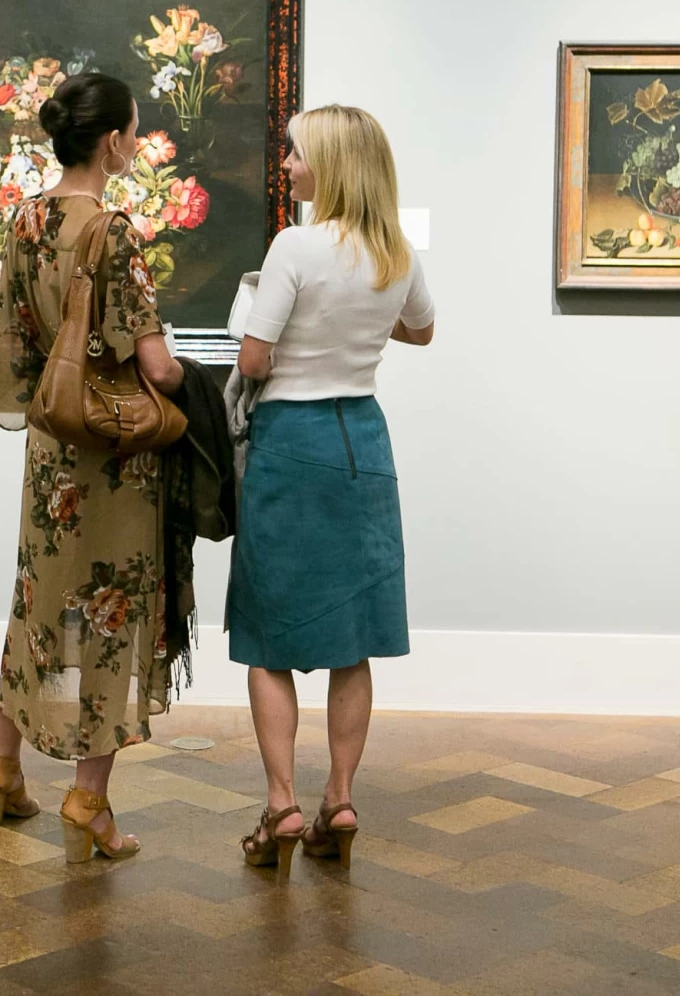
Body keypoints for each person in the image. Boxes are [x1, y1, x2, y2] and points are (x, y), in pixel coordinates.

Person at [0, 71, 187, 864]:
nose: (135, 143)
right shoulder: (114, 231)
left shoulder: (25, 220)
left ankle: (4, 768)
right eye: (134, 131)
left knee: (38, 607)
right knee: (108, 617)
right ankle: (89, 799)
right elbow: (158, 368)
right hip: (110, 461)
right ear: (111, 142)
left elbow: (20, 349)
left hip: (49, 456)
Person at [228, 104, 434, 879]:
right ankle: (339, 799)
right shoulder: (395, 252)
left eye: (296, 154)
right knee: (353, 640)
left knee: (267, 634)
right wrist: (362, 325)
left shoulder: (295, 246)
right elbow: (423, 330)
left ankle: (281, 803)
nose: (286, 166)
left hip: (293, 443)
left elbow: (252, 360)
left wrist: (276, 323)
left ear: (332, 166)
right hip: (363, 444)